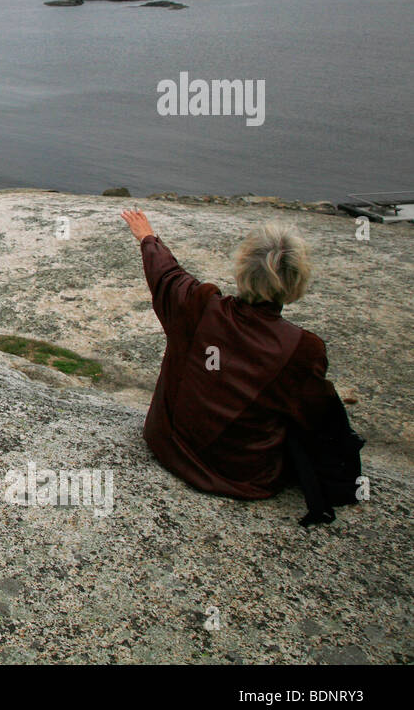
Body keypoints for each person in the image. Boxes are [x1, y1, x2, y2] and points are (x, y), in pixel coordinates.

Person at [121, 209, 361, 524]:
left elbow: (167, 276)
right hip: (241, 475)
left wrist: (148, 238)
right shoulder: (304, 351)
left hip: (168, 446)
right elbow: (316, 421)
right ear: (295, 282)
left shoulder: (198, 306)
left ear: (243, 269)